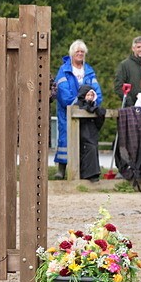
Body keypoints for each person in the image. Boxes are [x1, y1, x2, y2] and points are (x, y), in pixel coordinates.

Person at [53, 40, 104, 180]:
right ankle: (62, 168)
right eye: (77, 51)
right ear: (72, 54)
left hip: (87, 111)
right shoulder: (64, 70)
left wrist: (92, 102)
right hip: (67, 111)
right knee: (65, 138)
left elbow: (97, 91)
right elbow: (63, 92)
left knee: (86, 139)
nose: (80, 54)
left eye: (82, 52)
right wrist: (77, 103)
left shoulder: (89, 71)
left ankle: (84, 170)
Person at [114, 36, 141, 108]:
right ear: (133, 48)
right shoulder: (125, 65)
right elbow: (118, 87)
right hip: (131, 107)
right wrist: (129, 102)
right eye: (138, 47)